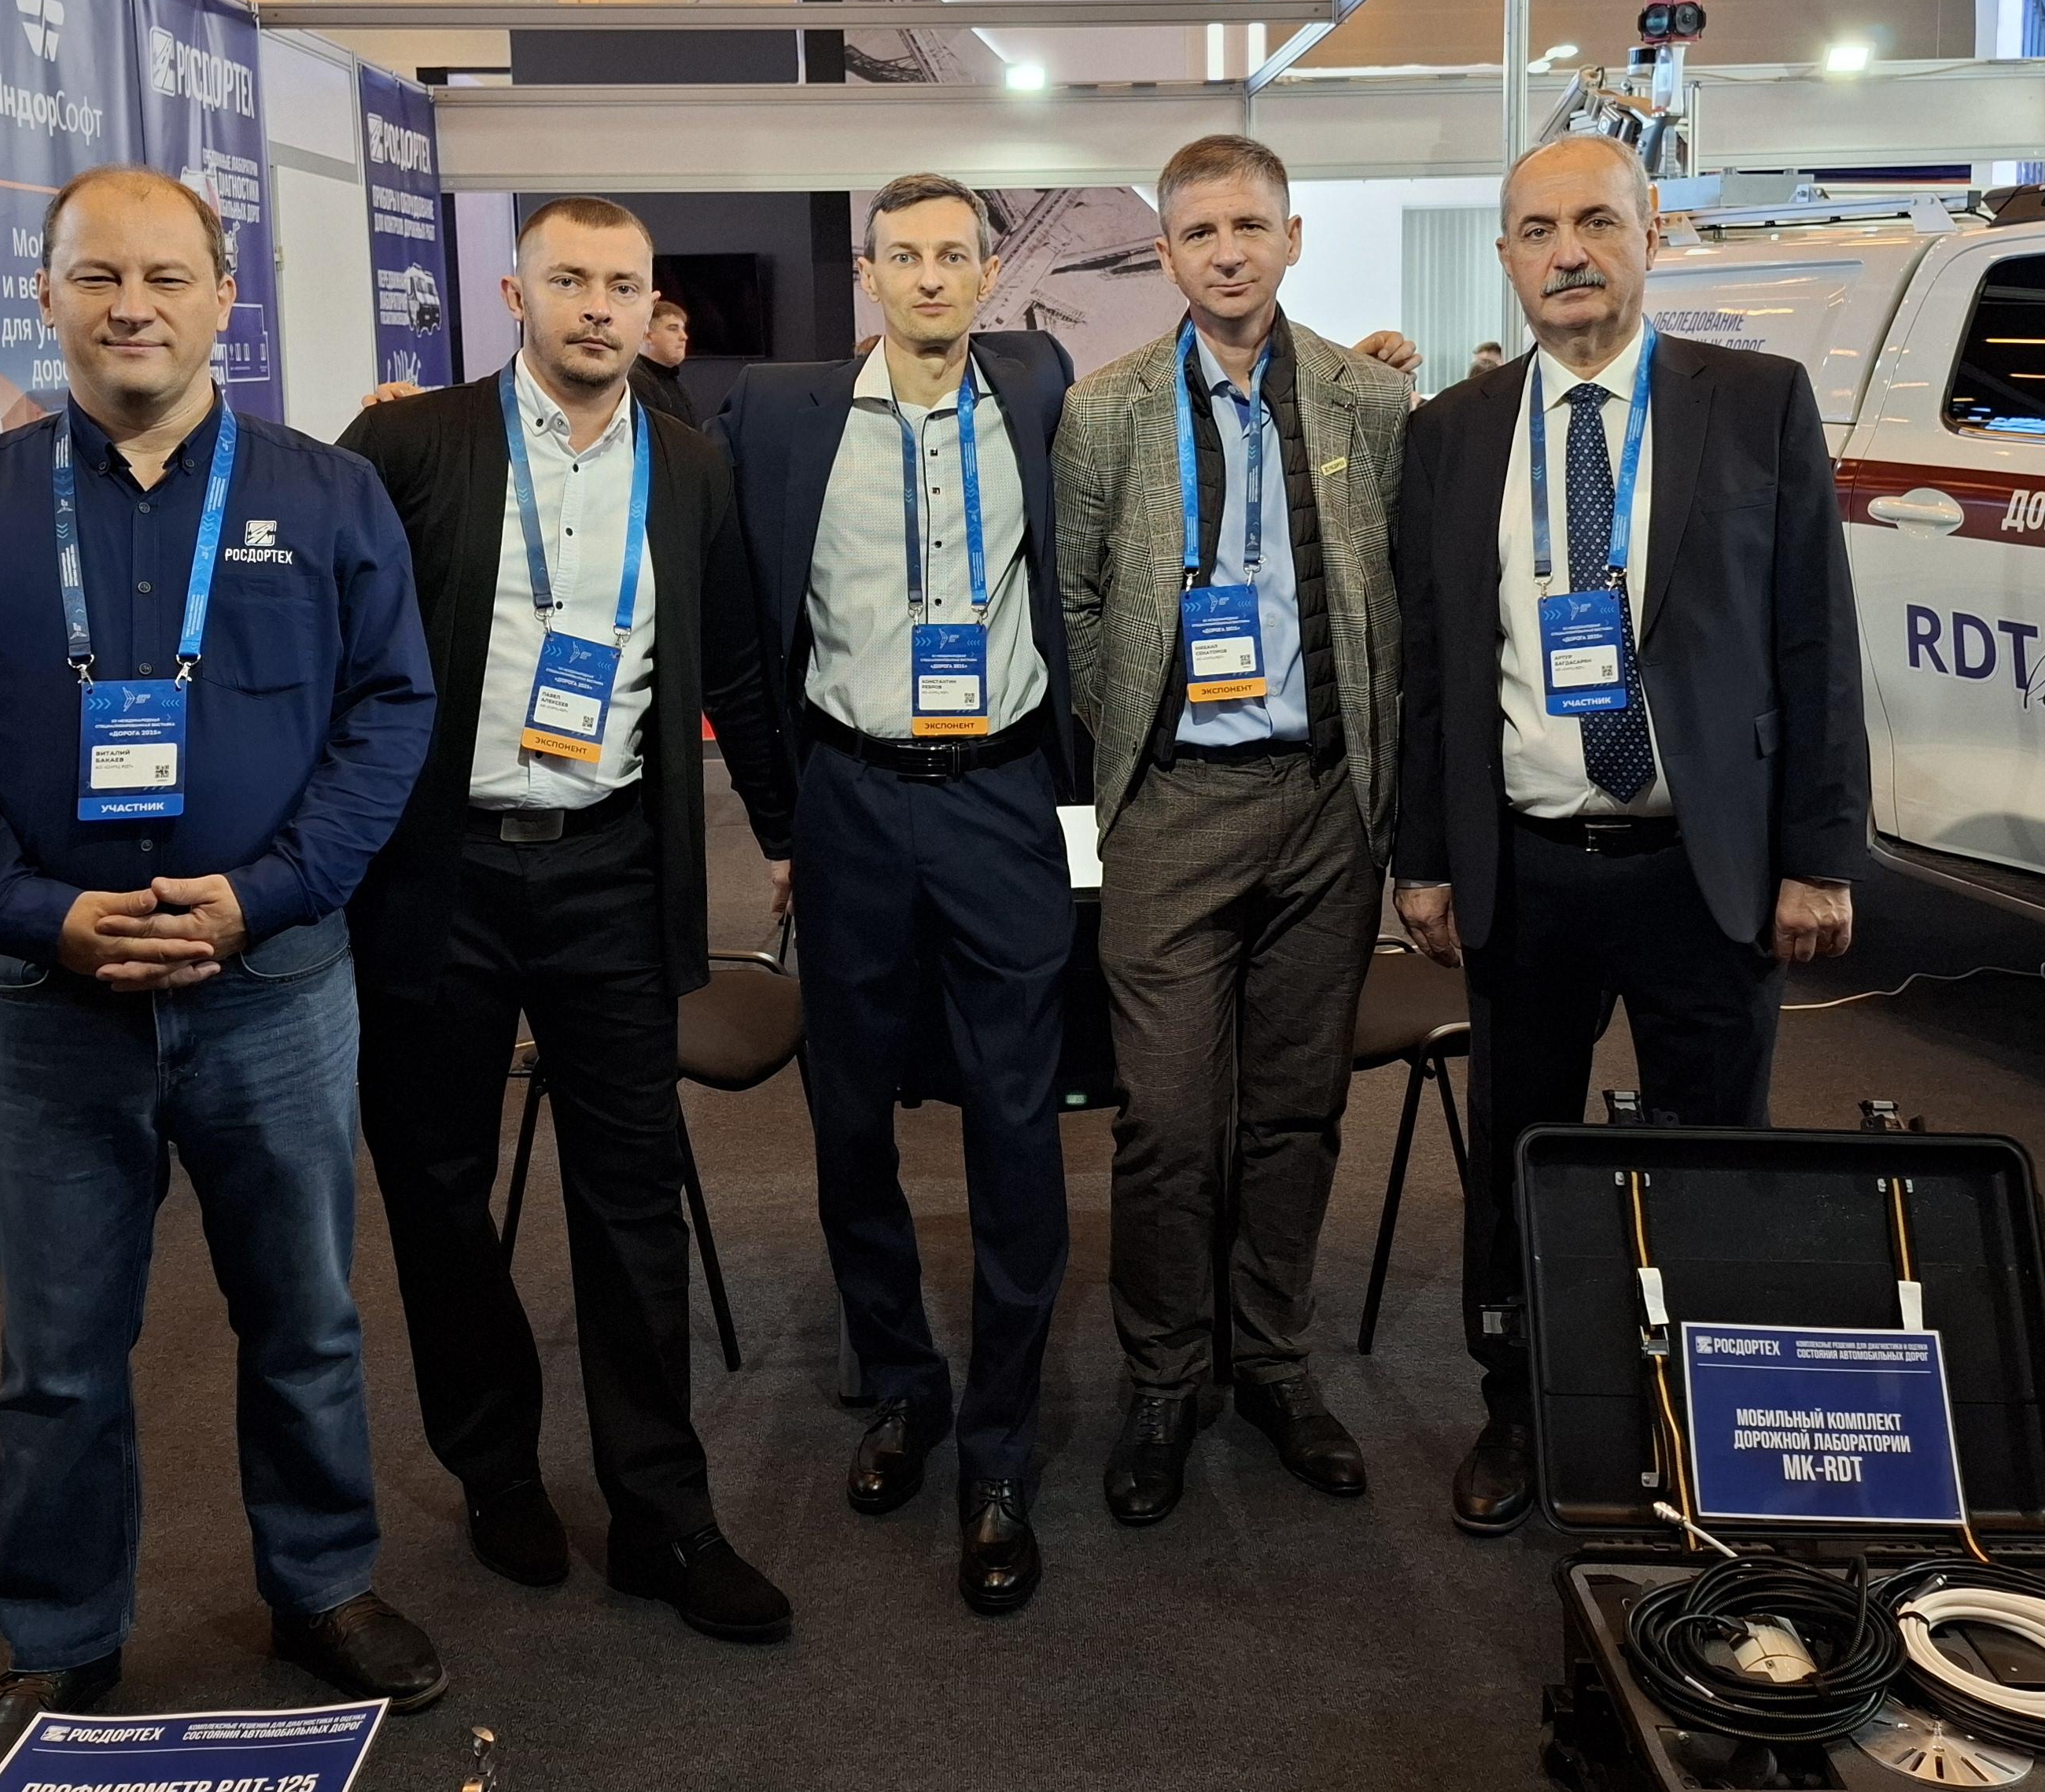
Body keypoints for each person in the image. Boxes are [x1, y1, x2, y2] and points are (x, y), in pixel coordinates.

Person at [0, 166, 444, 1792]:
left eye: (168, 276)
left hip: (274, 987)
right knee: (57, 1354)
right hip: (48, 1007)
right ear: (45, 293)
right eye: (98, 275)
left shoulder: (328, 496)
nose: (133, 306)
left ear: (223, 298)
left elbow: (391, 713)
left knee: (306, 1320)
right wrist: (31, 914)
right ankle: (60, 1633)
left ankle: (321, 1587)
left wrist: (269, 894)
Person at [1391, 134, 1867, 1539]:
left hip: (1701, 868)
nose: (1570, 255)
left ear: (1653, 235)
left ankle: (1711, 1424)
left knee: (1718, 1159)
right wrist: (1424, 855)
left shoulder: (1755, 402)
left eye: (1598, 222)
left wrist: (1819, 855)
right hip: (1527, 866)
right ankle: (1520, 1408)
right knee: (1521, 1153)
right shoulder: (1455, 432)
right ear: (1506, 258)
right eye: (1539, 231)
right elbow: (1434, 667)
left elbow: (1815, 641)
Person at [337, 198, 797, 1645]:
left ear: (654, 304)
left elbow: (736, 664)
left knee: (631, 1194)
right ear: (512, 293)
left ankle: (663, 1513)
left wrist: (790, 834)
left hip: (610, 872)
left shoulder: (693, 466)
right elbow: (325, 650)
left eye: (623, 284)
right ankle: (496, 1472)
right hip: (440, 877)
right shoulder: (408, 447)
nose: (598, 306)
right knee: (436, 1185)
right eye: (570, 280)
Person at [712, 172, 1075, 1617]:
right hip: (851, 800)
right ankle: (906, 1383)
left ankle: (1001, 1443)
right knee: (850, 1117)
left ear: (990, 275)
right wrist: (780, 819)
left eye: (955, 255)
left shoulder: (1040, 393)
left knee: (1016, 1125)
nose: (931, 276)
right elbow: (724, 595)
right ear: (868, 274)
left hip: (1000, 798)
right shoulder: (779, 416)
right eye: (905, 254)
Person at [1053, 134, 1408, 1526]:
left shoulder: (1372, 401)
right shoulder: (1107, 410)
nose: (1228, 252)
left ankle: (1271, 1360)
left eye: (1250, 225)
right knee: (1166, 1120)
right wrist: (1135, 733)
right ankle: (1164, 1376)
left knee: (1298, 1110)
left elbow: (1398, 597)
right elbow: (1078, 600)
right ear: (1165, 255)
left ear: (1293, 237)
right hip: (1175, 809)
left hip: (1326, 805)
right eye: (1199, 232)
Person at [632, 295, 696, 428]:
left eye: (683, 329)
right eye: (673, 329)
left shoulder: (675, 384)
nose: (684, 337)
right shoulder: (635, 381)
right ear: (647, 336)